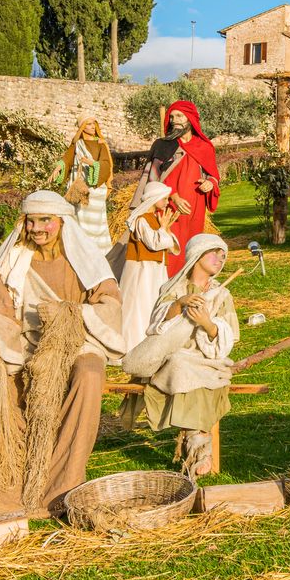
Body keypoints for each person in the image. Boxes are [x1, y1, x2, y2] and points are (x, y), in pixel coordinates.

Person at [0, 191, 125, 518]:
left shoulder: (85, 260)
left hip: (76, 341)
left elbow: (109, 307)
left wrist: (69, 314)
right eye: (31, 221)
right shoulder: (15, 259)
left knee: (89, 374)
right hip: (22, 341)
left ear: (61, 223)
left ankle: (62, 485)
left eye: (45, 221)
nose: (37, 228)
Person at [121, 232, 239, 479]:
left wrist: (208, 325)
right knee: (179, 362)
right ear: (197, 256)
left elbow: (229, 336)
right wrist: (180, 305)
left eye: (223, 255)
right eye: (214, 253)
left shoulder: (222, 294)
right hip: (173, 357)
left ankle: (197, 441)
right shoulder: (174, 288)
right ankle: (198, 443)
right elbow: (155, 326)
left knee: (197, 370)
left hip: (207, 358)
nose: (220, 259)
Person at [148, 102, 219, 275]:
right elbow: (152, 178)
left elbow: (214, 175)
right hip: (169, 207)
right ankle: (168, 284)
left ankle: (189, 282)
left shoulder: (204, 146)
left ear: (191, 119)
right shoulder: (163, 146)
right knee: (171, 246)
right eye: (172, 117)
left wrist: (210, 182)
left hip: (196, 207)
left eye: (179, 116)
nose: (174, 120)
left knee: (193, 245)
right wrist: (173, 196)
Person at [116, 181, 179, 348]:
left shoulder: (157, 218)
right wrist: (163, 228)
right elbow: (154, 243)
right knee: (140, 303)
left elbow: (171, 247)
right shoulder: (141, 220)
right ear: (154, 199)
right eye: (164, 199)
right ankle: (133, 344)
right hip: (142, 270)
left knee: (153, 301)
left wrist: (166, 229)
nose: (167, 202)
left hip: (156, 270)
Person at [60, 118, 117, 256]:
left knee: (97, 222)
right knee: (78, 219)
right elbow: (66, 159)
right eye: (88, 124)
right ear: (82, 127)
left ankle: (99, 254)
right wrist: (59, 167)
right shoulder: (77, 144)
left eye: (94, 124)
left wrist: (92, 164)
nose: (92, 127)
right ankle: (80, 252)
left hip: (95, 188)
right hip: (79, 188)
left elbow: (106, 164)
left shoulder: (100, 143)